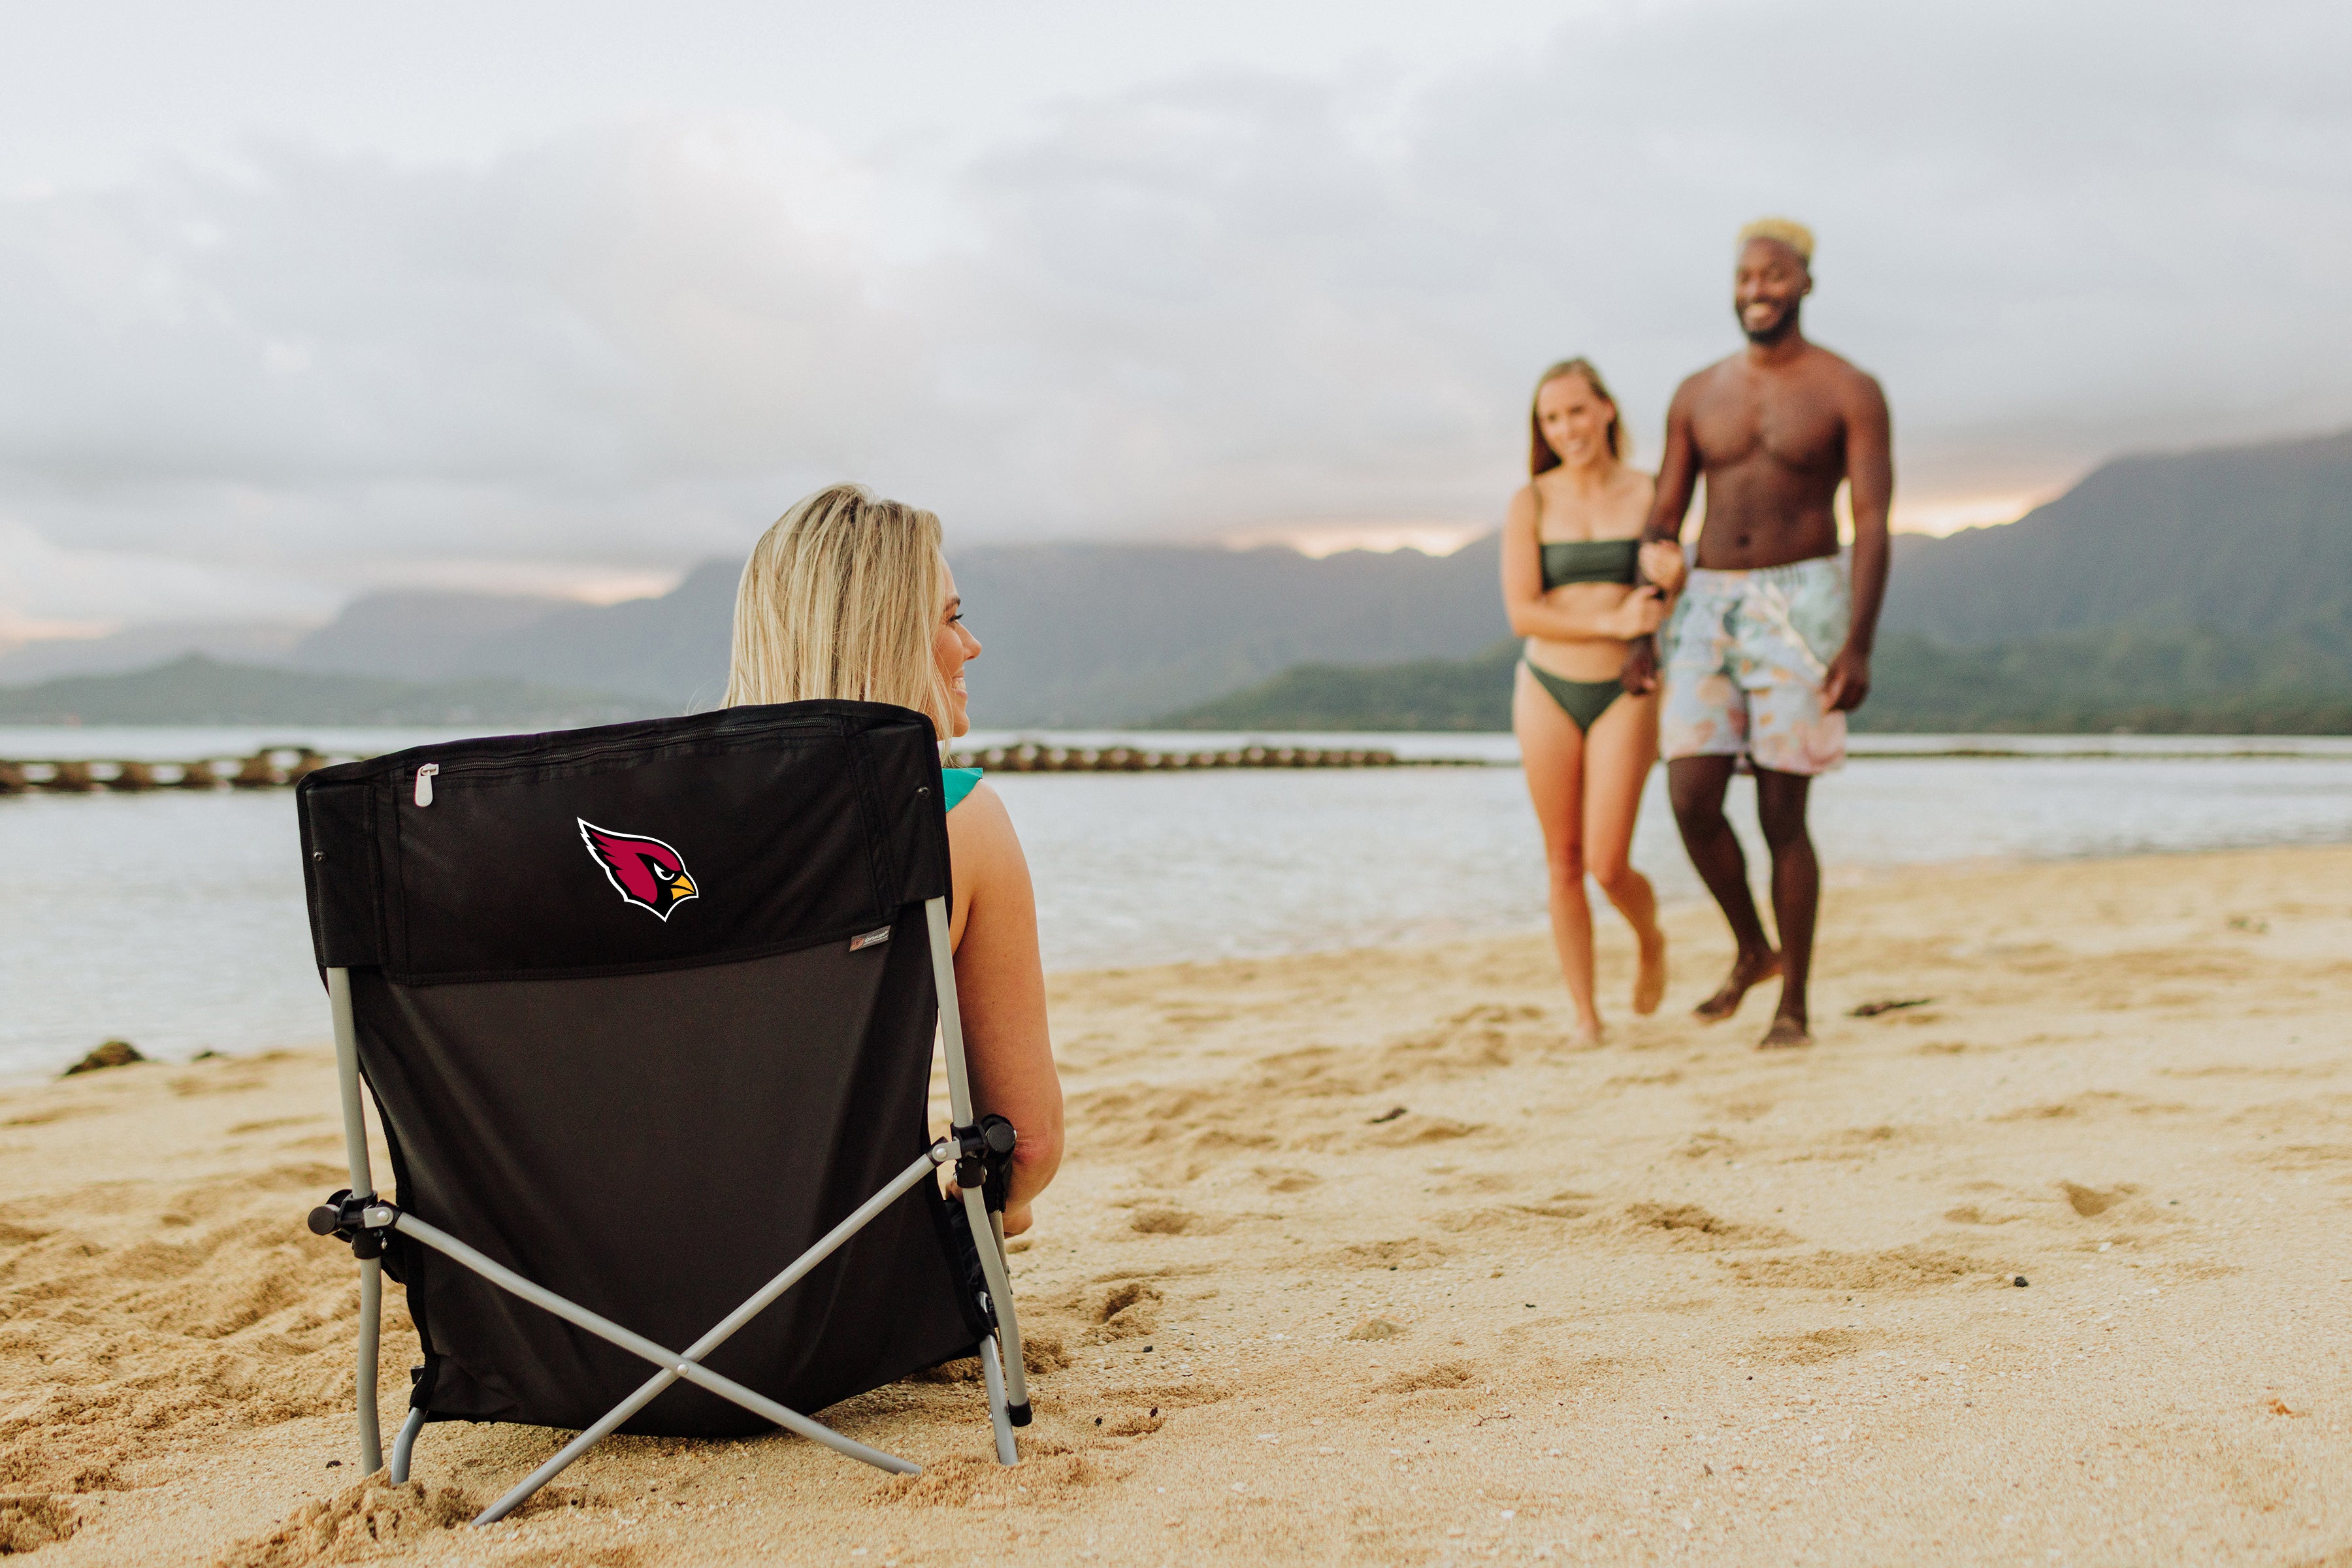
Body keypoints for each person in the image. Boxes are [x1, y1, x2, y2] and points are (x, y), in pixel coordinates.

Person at [725, 482, 1065, 1232]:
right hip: (840, 1293)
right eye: (951, 619)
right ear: (885, 635)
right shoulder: (954, 819)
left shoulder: (646, 839)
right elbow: (1027, 1147)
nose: (970, 645)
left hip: (590, 1314)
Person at [1625, 218, 1893, 1050]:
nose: (1758, 291)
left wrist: (1858, 643)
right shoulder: (1696, 392)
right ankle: (1751, 947)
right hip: (1706, 604)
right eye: (1746, 278)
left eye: (1774, 276)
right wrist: (1644, 625)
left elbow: (1875, 522)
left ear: (1805, 283)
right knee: (1690, 796)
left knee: (1784, 812)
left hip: (1805, 599)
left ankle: (1795, 1007)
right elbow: (1665, 516)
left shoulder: (1849, 388)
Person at [1501, 359, 1672, 1045]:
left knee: (1607, 862)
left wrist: (1674, 577)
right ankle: (1586, 1017)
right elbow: (1522, 613)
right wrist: (1609, 622)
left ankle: (1650, 937)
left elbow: (1666, 597)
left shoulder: (1653, 491)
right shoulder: (1531, 502)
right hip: (1546, 687)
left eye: (1576, 411)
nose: (1566, 428)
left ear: (1605, 409)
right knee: (1564, 863)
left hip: (1625, 692)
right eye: (1552, 418)